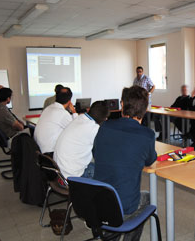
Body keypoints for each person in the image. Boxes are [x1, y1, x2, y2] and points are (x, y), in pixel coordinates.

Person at [93, 85, 157, 241]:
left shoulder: (104, 126)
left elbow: (95, 153)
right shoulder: (147, 135)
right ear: (146, 108)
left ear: (122, 104)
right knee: (146, 197)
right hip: (123, 206)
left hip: (97, 202)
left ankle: (109, 236)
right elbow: (150, 160)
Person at [54, 101, 110, 179]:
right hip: (72, 175)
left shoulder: (80, 118)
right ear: (104, 119)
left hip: (59, 170)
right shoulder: (93, 129)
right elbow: (105, 152)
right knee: (107, 172)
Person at [34, 87, 77, 154]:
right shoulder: (62, 113)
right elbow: (76, 129)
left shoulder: (49, 108)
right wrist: (74, 112)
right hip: (51, 152)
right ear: (69, 101)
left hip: (40, 151)